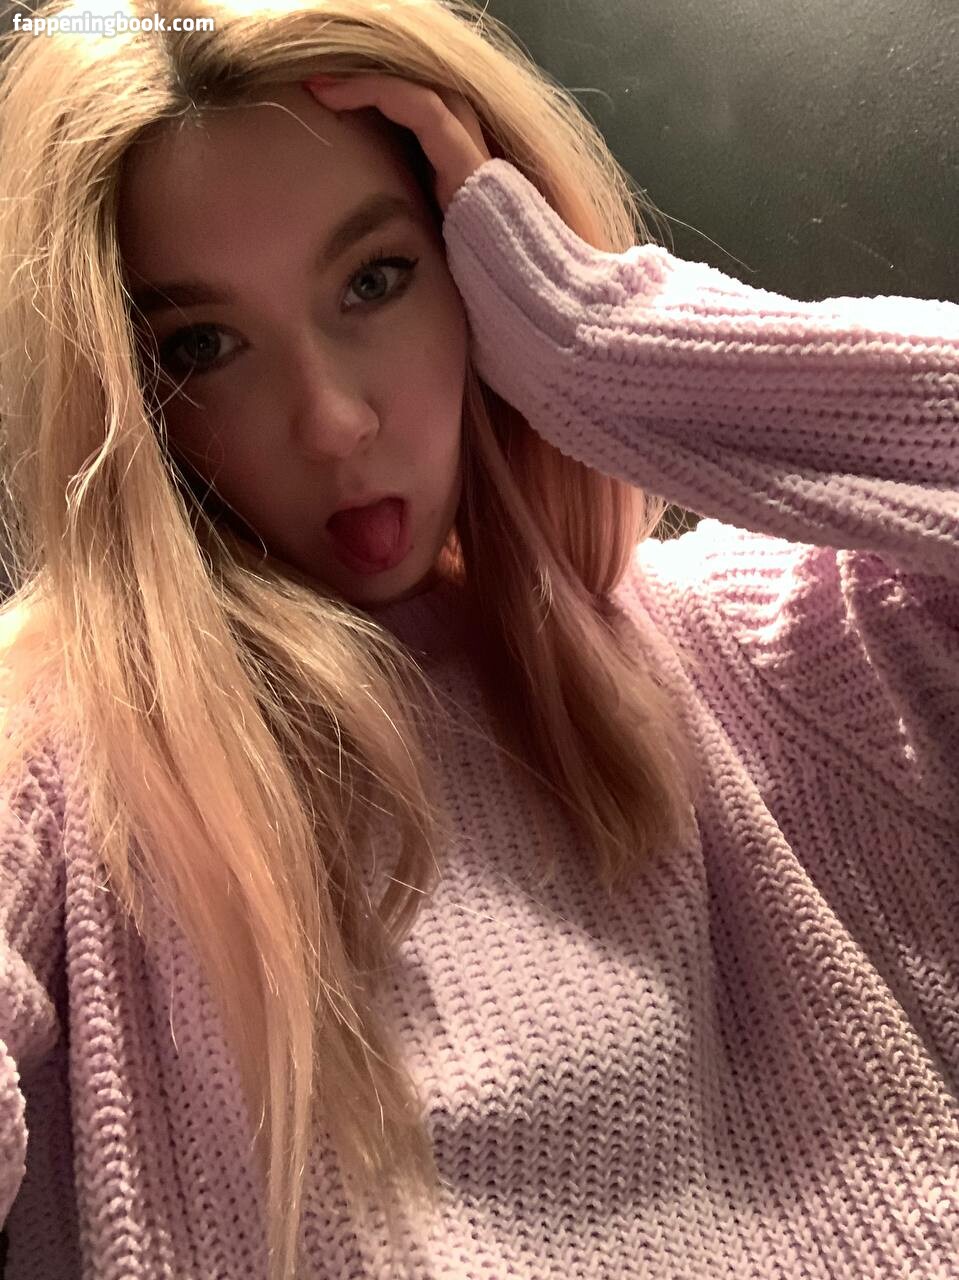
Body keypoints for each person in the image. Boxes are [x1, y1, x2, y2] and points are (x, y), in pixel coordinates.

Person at [0, 1, 957, 1277]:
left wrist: (608, 339)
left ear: (479, 263)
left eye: (375, 278)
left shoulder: (772, 648)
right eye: (203, 346)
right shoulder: (55, 761)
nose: (331, 420)